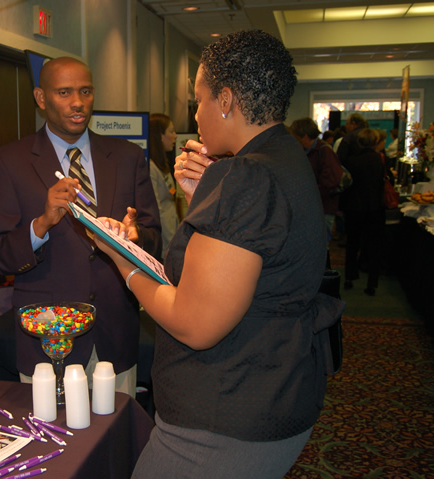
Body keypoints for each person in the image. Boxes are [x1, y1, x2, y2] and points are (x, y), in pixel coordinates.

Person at [92, 30, 345, 476]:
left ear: (225, 99)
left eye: (200, 99)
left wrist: (123, 261)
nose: (196, 113)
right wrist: (203, 198)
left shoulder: (246, 177)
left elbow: (195, 323)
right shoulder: (283, 157)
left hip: (225, 411)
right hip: (276, 389)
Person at [0, 56, 162, 397]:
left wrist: (134, 240)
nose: (78, 103)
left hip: (115, 339)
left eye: (85, 91)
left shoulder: (127, 157)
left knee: (116, 439)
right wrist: (41, 224)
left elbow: (153, 239)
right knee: (56, 442)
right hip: (47, 343)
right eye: (64, 92)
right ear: (41, 98)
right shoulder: (10, 162)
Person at [341, 128, 385, 296]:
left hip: (354, 207)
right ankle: (372, 282)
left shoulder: (351, 161)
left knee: (352, 243)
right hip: (374, 207)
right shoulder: (381, 160)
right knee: (374, 246)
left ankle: (349, 278)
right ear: (376, 142)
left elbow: (346, 186)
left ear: (358, 142)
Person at [290, 117, 344, 241]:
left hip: (323, 207)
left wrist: (308, 193)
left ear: (304, 136)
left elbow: (331, 181)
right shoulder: (305, 151)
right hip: (311, 207)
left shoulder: (324, 151)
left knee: (321, 245)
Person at [148, 113, 179, 253]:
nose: (175, 136)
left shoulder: (163, 164)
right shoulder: (151, 168)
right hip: (164, 241)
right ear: (159, 136)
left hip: (172, 232)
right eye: (171, 131)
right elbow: (157, 210)